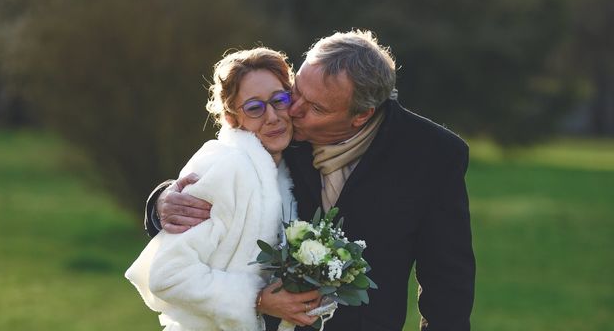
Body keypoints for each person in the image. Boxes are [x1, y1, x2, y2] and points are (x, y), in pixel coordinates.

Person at [146, 30, 476, 331]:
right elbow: (221, 163)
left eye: (315, 107)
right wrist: (160, 202)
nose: (294, 110)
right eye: (297, 91)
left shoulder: (433, 156)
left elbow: (447, 281)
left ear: (361, 115)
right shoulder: (277, 128)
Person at [126, 48, 320, 331]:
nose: (273, 117)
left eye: (279, 100)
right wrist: (256, 299)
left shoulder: (286, 167)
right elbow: (168, 275)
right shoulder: (226, 168)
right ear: (231, 118)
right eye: (254, 108)